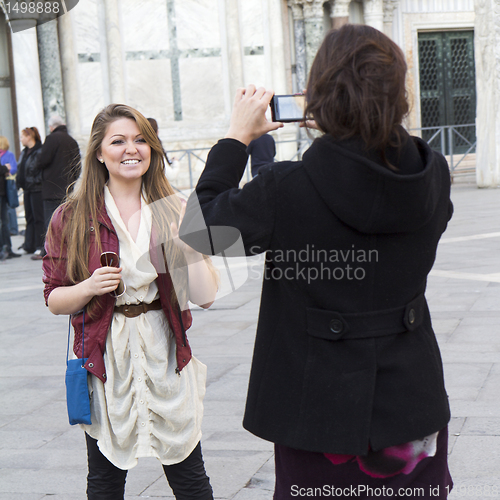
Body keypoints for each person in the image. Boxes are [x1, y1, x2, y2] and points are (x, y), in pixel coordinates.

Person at [180, 25, 453, 498]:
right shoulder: (433, 176)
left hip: (317, 408)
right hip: (411, 401)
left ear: (321, 96)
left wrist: (235, 139)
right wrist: (352, 129)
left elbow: (202, 228)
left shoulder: (285, 189)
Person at [42, 104, 218, 500]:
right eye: (118, 141)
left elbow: (206, 297)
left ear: (152, 149)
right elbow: (54, 299)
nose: (131, 149)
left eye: (140, 140)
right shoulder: (71, 217)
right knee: (104, 484)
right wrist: (88, 286)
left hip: (166, 354)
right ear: (99, 152)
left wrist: (183, 248)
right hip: (108, 362)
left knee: (191, 481)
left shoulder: (176, 208)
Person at [34, 114, 81, 260]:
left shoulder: (51, 139)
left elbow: (43, 160)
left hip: (51, 188)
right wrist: (71, 180)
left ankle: (50, 251)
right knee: (66, 219)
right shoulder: (72, 140)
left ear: (51, 127)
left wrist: (37, 172)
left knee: (51, 220)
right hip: (66, 187)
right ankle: (67, 249)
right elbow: (77, 166)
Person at [15, 127, 44, 255]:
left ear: (29, 137)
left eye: (22, 136)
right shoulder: (24, 152)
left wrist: (35, 181)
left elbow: (40, 170)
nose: (20, 139)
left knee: (38, 217)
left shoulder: (40, 151)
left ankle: (39, 245)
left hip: (37, 188)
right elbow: (21, 169)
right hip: (27, 188)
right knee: (29, 217)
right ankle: (29, 244)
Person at [0, 136, 21, 260]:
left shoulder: (9, 154)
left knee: (5, 220)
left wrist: (7, 169)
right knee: (3, 221)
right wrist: (4, 168)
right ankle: (4, 248)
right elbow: (5, 169)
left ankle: (7, 247)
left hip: (4, 191)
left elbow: (12, 169)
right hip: (2, 191)